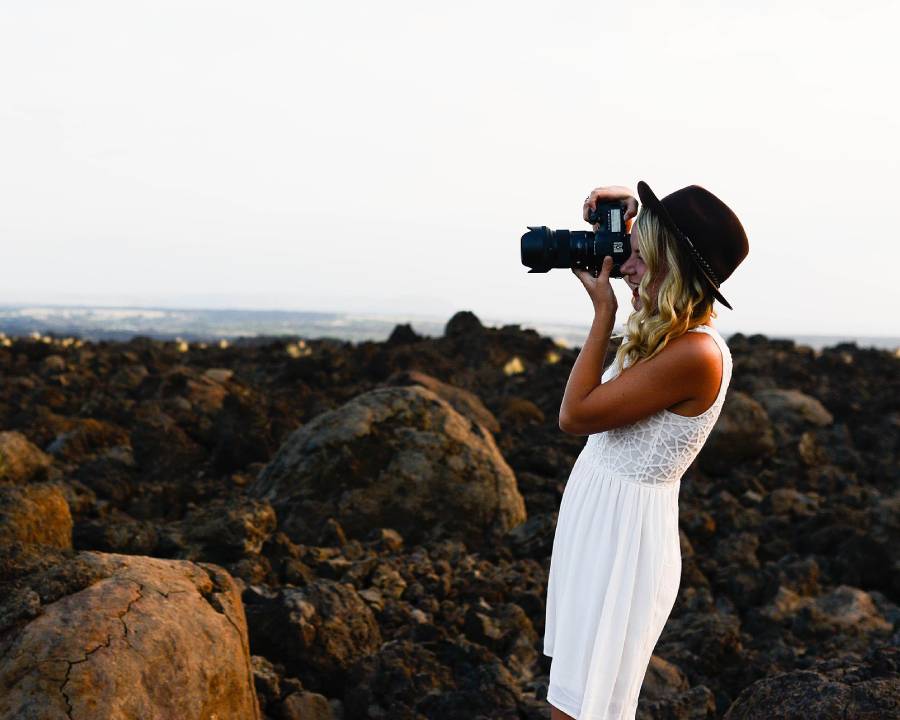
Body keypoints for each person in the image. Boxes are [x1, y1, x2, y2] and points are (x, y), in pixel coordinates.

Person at [543, 180, 749, 719]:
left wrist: (603, 314)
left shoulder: (696, 354)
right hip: (600, 527)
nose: (625, 267)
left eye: (640, 257)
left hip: (622, 543)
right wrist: (622, 212)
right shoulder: (667, 335)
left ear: (672, 268)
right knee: (574, 702)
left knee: (581, 710)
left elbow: (576, 415)